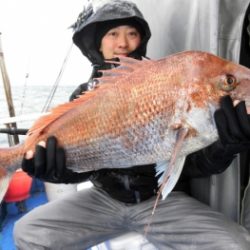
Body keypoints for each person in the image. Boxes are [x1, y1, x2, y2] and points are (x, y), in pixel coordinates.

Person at [14, 0, 250, 249]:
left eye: (132, 33)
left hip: (160, 202)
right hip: (103, 199)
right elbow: (86, 167)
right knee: (27, 233)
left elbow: (194, 164)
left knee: (236, 245)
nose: (123, 43)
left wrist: (227, 145)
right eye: (112, 34)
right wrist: (58, 172)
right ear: (97, 42)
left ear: (141, 40)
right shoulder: (82, 97)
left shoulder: (168, 87)